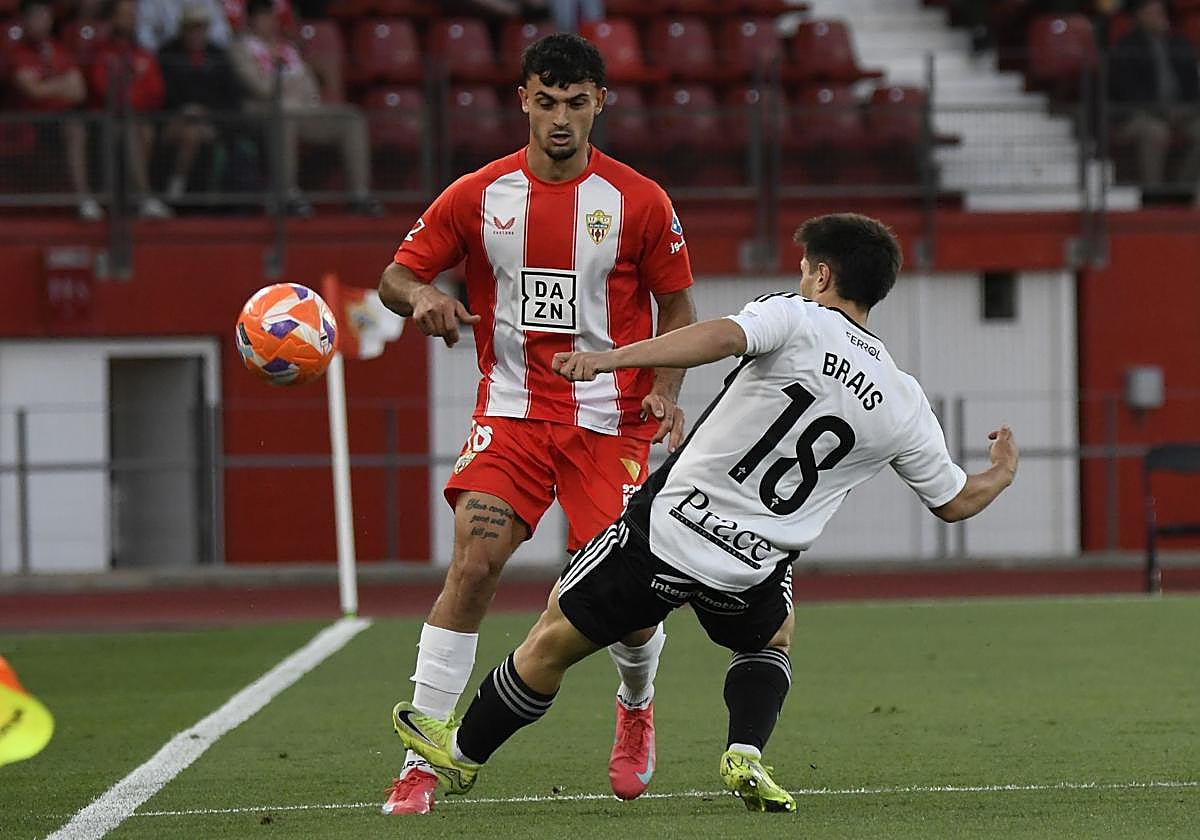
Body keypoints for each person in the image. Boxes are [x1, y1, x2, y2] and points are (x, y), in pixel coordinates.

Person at [392, 213, 1020, 813]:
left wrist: (612, 360)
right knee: (772, 637)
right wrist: (1003, 470)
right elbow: (956, 501)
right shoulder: (905, 401)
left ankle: (461, 753)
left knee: (553, 636)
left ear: (823, 276)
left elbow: (720, 336)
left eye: (806, 270)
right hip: (752, 563)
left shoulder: (797, 318)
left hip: (667, 529)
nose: (802, 279)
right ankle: (745, 750)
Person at [378, 33, 696, 816]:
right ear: (522, 99)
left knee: (622, 598)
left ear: (600, 103)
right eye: (546, 101)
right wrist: (420, 299)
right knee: (475, 565)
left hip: (608, 423)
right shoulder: (478, 195)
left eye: (576, 102)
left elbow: (679, 308)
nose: (560, 119)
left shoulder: (639, 200)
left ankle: (634, 706)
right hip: (512, 414)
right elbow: (396, 274)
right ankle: (421, 758)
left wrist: (663, 387)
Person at [231, 0, 380, 216]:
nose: (269, 22)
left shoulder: (288, 47)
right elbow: (260, 88)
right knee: (286, 117)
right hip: (262, 112)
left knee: (351, 117)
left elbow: (310, 87)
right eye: (263, 17)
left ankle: (360, 194)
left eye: (271, 17)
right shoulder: (241, 49)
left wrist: (286, 87)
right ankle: (287, 194)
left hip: (301, 108)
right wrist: (290, 86)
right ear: (251, 20)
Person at [8, 0, 100, 220]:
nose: (43, 22)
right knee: (73, 126)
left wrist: (46, 85)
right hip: (31, 124)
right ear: (25, 21)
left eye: (46, 16)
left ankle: (84, 200)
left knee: (75, 126)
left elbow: (79, 92)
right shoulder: (16, 54)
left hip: (60, 122)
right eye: (37, 16)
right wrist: (62, 84)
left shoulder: (60, 51)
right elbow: (33, 92)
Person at [90, 0, 174, 218]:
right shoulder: (101, 53)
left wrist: (128, 89)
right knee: (132, 126)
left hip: (138, 119)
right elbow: (103, 90)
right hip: (105, 123)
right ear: (114, 19)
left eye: (133, 14)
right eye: (125, 14)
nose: (131, 19)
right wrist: (134, 84)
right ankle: (142, 196)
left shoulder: (144, 54)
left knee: (139, 127)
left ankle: (135, 196)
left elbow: (157, 93)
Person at [1109, 0, 1200, 195]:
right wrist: (1160, 111)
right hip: (1137, 115)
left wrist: (1186, 109)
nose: (1160, 17)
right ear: (1140, 16)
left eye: (1161, 12)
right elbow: (1127, 91)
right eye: (1153, 12)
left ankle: (1182, 191)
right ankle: (1153, 194)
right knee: (1156, 133)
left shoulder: (1179, 43)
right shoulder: (1126, 46)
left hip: (1179, 114)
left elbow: (1193, 85)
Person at [158, 3, 242, 204]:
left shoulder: (218, 56)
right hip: (173, 119)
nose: (196, 34)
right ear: (183, 29)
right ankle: (177, 189)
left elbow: (231, 98)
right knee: (189, 131)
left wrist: (206, 111)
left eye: (201, 28)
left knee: (193, 133)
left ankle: (178, 188)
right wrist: (185, 110)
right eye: (191, 28)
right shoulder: (168, 55)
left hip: (212, 121)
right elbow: (163, 95)